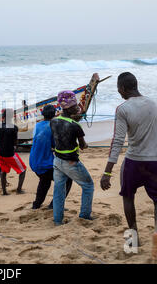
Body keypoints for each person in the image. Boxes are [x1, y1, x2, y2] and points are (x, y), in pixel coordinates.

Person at [100, 72, 157, 261]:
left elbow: (118, 141)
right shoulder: (155, 104)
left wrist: (107, 171)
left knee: (128, 197)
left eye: (118, 90)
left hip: (134, 162)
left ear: (122, 88)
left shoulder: (123, 108)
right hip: (156, 161)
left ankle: (132, 240)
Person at [51, 91, 93, 226]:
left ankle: (58, 220)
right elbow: (83, 145)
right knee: (88, 186)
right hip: (71, 162)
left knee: (58, 190)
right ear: (69, 108)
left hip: (57, 160)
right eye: (75, 105)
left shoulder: (53, 121)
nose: (78, 107)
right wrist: (86, 146)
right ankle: (85, 216)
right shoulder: (75, 126)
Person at [30, 104, 72, 209]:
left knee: (45, 181)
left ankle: (37, 204)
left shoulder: (37, 125)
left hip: (33, 161)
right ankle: (54, 205)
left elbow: (38, 139)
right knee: (67, 179)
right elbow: (57, 145)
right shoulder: (54, 126)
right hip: (45, 163)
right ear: (54, 115)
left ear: (42, 114)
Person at [0, 108, 27, 195]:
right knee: (23, 170)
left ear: (3, 116)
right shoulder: (14, 128)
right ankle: (19, 189)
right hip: (9, 154)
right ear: (12, 117)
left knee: (4, 171)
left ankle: (4, 192)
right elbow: (15, 141)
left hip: (0, 153)